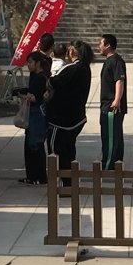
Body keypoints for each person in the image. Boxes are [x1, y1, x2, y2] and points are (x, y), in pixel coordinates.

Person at [43, 39, 92, 174]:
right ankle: (70, 181)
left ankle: (63, 182)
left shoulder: (72, 68)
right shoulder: (85, 68)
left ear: (71, 51)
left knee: (57, 151)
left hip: (62, 119)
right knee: (69, 150)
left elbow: (52, 82)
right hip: (77, 117)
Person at [19, 50, 50, 185]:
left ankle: (38, 176)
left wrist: (23, 96)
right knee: (32, 146)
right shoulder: (37, 76)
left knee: (35, 146)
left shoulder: (40, 78)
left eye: (30, 62)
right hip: (35, 115)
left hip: (37, 115)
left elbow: (36, 98)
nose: (28, 65)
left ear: (38, 63)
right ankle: (34, 175)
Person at [97, 33, 127, 168]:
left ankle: (108, 165)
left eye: (101, 44)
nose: (99, 47)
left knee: (110, 138)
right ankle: (116, 164)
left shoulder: (116, 61)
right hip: (107, 105)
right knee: (113, 136)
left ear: (108, 45)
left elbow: (119, 80)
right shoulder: (110, 60)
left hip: (111, 106)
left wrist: (116, 100)